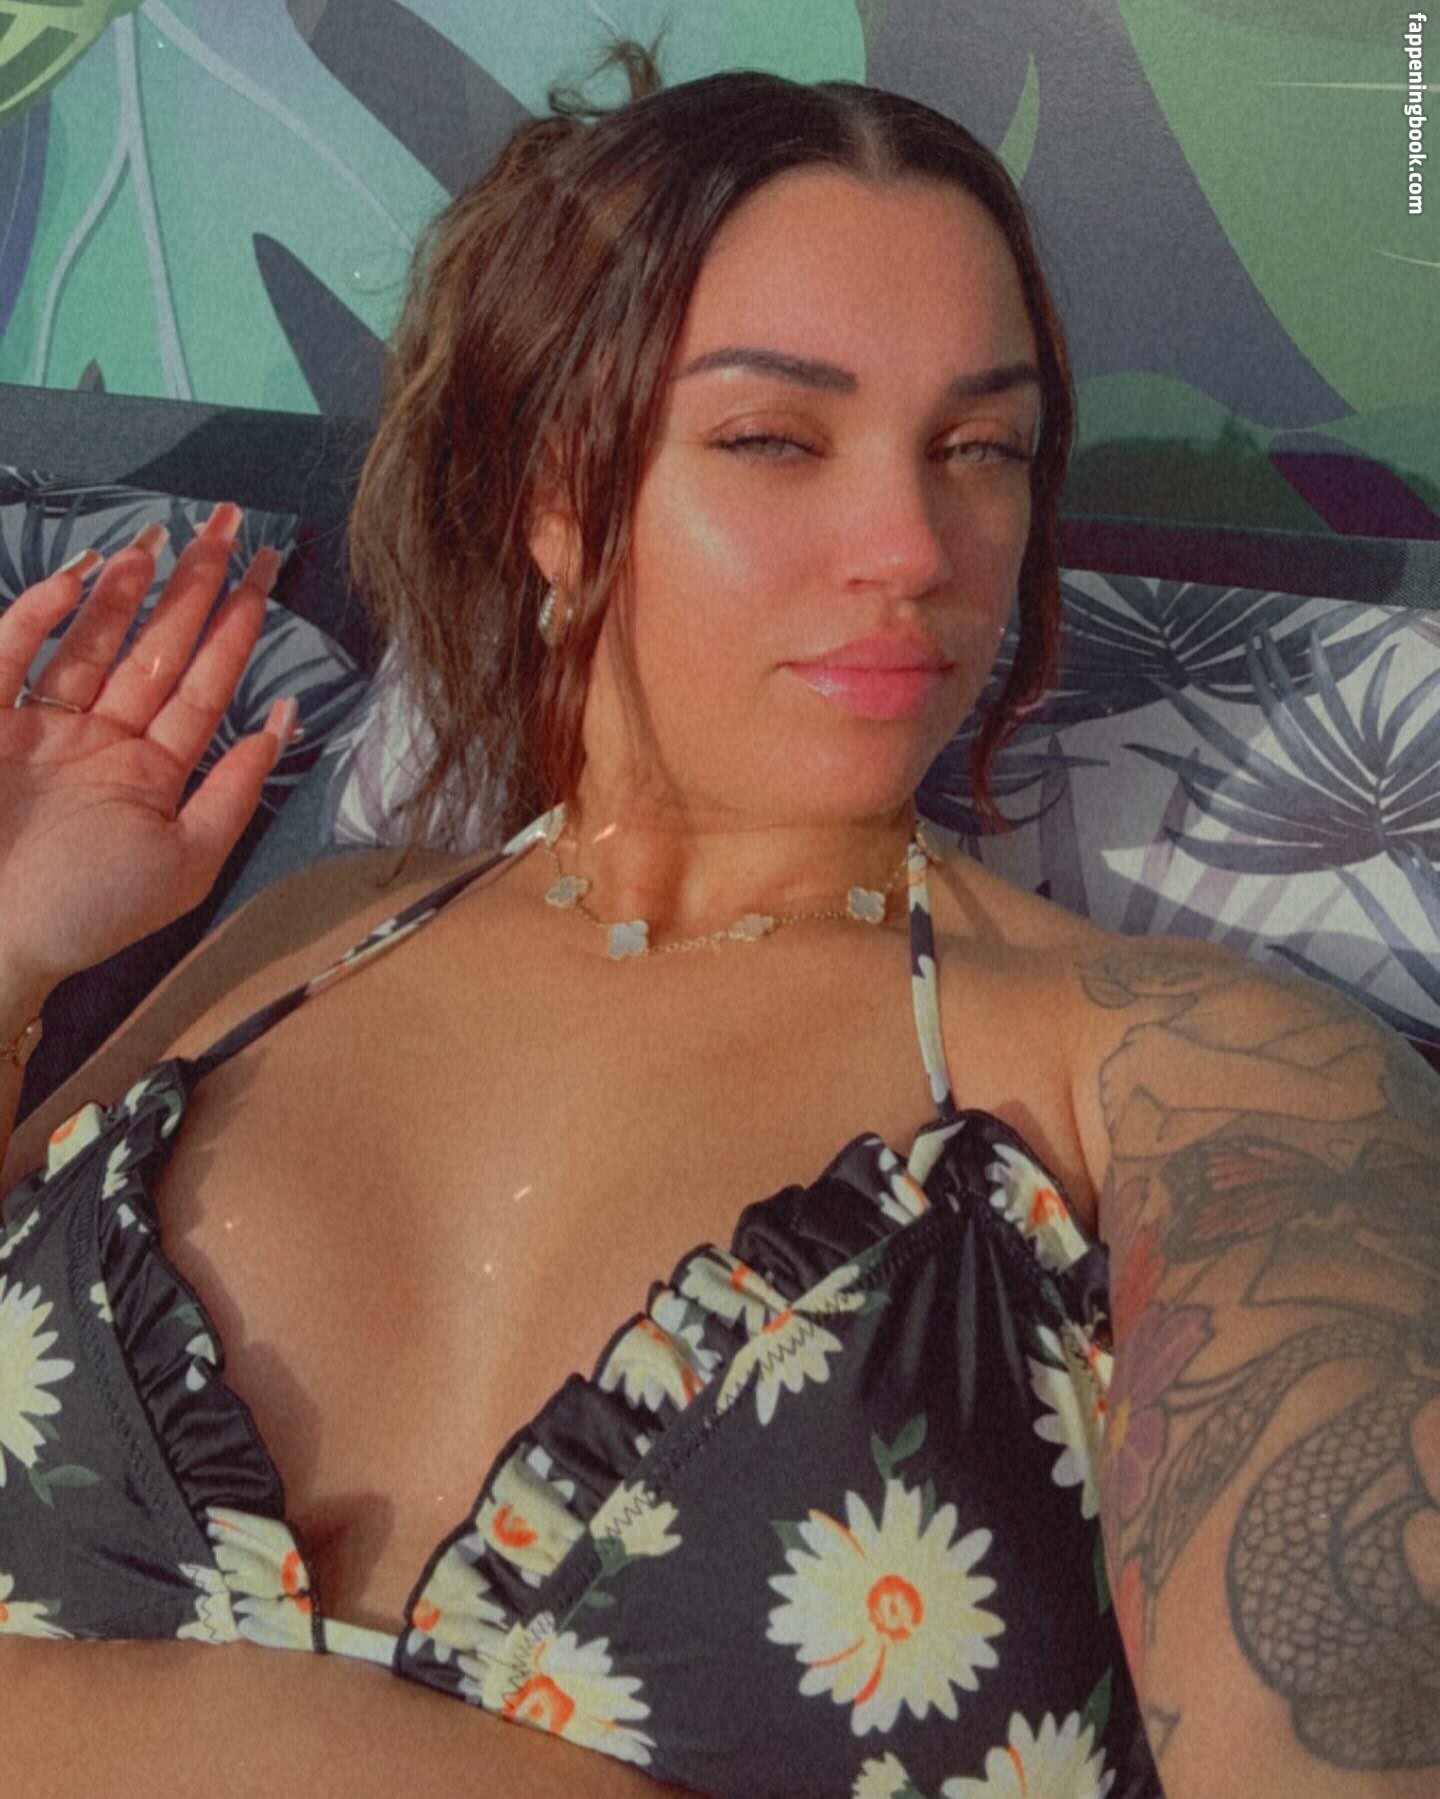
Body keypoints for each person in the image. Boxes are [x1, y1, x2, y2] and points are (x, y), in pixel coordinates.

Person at [1, 40, 1435, 1799]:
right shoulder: (306, 942)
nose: (914, 544)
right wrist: (14, 952)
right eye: (773, 437)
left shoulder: (1185, 1073)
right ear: (552, 490)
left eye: (981, 448)